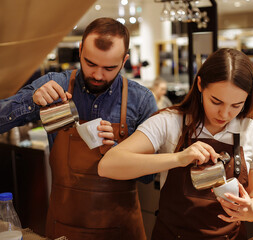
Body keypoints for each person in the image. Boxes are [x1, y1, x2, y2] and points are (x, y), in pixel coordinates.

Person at [0, 17, 157, 240]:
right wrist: (31, 101)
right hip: (64, 228)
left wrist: (122, 151)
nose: (98, 75)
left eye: (110, 67)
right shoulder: (56, 85)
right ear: (80, 50)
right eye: (90, 63)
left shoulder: (141, 100)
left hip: (121, 230)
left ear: (124, 61)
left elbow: (150, 177)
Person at [98, 48, 253, 240]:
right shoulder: (169, 122)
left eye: (236, 105)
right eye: (216, 101)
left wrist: (251, 210)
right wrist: (178, 158)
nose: (225, 114)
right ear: (200, 84)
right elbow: (108, 165)